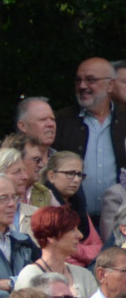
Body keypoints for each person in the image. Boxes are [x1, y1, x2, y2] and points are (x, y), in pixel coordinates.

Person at [53, 57, 126, 214]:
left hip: (120, 220)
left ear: (110, 85)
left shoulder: (124, 118)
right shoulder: (61, 121)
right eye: (78, 80)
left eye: (90, 80)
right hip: (72, 219)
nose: (82, 86)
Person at [20, 204, 101, 298]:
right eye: (72, 230)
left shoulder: (84, 275)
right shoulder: (30, 277)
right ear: (50, 236)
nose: (80, 235)